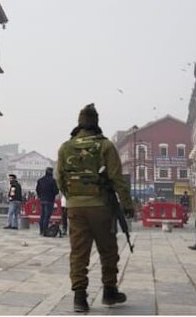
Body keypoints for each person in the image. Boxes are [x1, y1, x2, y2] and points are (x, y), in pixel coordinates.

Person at [57, 103, 133, 312]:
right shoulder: (105, 146)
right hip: (101, 207)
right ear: (96, 123)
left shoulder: (66, 147)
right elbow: (117, 178)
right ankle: (109, 291)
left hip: (75, 208)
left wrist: (73, 197)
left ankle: (79, 298)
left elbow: (60, 178)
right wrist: (127, 204)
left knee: (78, 252)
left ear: (79, 123)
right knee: (108, 249)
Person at [36, 167, 59, 236]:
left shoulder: (40, 180)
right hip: (49, 200)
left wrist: (40, 196)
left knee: (42, 215)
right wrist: (53, 194)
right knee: (47, 216)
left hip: (42, 199)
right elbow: (56, 191)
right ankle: (45, 230)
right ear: (51, 172)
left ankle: (41, 230)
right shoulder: (52, 180)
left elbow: (37, 190)